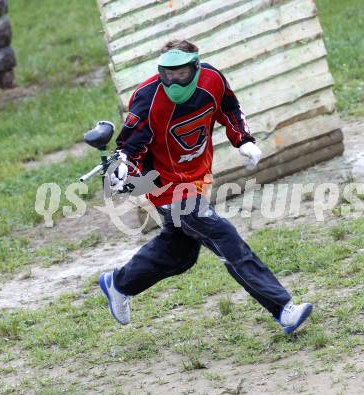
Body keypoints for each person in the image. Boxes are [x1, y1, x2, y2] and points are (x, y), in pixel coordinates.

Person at [99, 39, 313, 334]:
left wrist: (244, 140)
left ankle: (119, 283)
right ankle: (282, 308)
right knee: (223, 235)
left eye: (180, 73)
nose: (173, 79)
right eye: (166, 73)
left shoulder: (212, 81)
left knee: (180, 252)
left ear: (195, 67)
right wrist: (123, 167)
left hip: (195, 178)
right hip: (165, 185)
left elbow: (230, 109)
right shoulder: (147, 97)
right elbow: (131, 146)